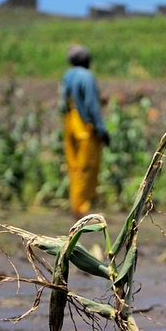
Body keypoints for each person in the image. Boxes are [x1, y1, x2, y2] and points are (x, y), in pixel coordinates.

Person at [60, 44, 110, 219]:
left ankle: (76, 205)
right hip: (83, 126)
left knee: (74, 167)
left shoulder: (68, 75)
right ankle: (83, 208)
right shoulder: (87, 76)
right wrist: (101, 129)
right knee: (86, 167)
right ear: (86, 60)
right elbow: (91, 105)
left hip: (69, 123)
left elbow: (64, 102)